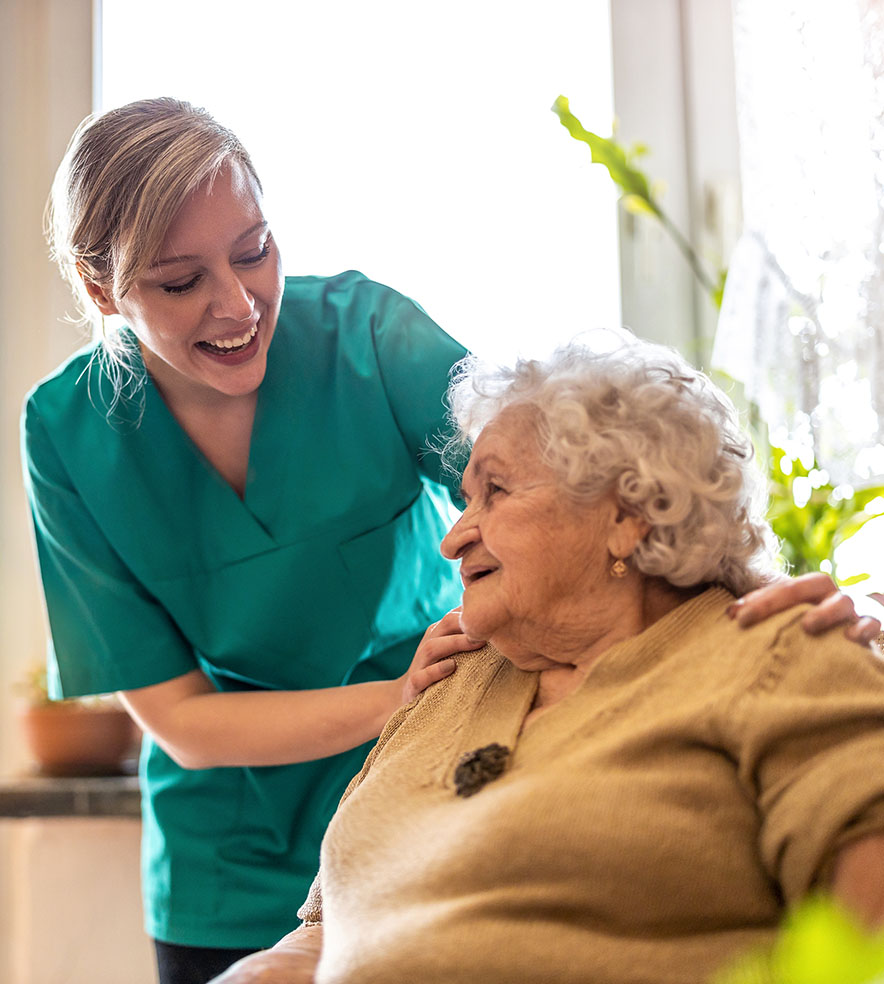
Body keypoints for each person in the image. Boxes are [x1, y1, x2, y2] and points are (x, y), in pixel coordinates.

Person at [21, 98, 876, 984]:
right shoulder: (67, 434)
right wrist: (396, 705)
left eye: (254, 250)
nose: (237, 303)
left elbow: (592, 483)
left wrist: (817, 599)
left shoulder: (367, 338)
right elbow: (182, 722)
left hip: (461, 763)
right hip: (244, 846)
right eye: (178, 281)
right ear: (101, 287)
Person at [212, 337, 884, 984]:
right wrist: (268, 968)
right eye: (464, 499)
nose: (452, 540)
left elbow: (868, 924)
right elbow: (334, 927)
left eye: (496, 492)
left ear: (628, 514)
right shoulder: (447, 683)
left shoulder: (774, 654)